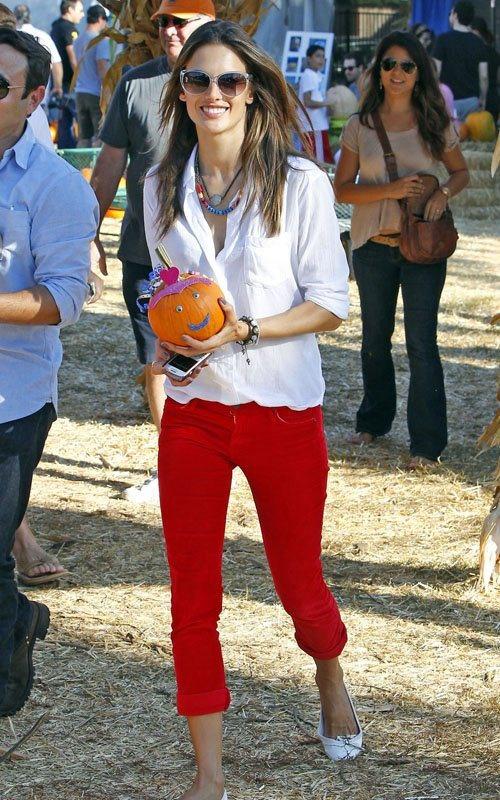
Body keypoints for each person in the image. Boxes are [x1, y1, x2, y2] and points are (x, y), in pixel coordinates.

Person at [144, 19, 361, 800]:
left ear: (253, 92)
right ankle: (209, 774)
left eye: (228, 81)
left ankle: (329, 671)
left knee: (298, 581)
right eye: (197, 81)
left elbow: (330, 305)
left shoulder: (300, 183)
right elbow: (168, 297)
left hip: (282, 408)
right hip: (197, 412)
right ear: (181, 93)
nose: (212, 95)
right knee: (191, 593)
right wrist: (171, 336)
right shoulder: (159, 185)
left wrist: (246, 330)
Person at [0, 27, 98, 717]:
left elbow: (65, 297)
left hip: (11, 399)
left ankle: (10, 654)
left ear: (34, 98)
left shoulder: (59, 188)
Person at [91, 0, 215, 504]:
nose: (168, 30)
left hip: (217, 252)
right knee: (156, 363)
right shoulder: (135, 85)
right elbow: (108, 166)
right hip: (148, 254)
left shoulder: (232, 81)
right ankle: (174, 466)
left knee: (220, 356)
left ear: (207, 23)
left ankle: (222, 457)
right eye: (163, 21)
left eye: (180, 21)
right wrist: (89, 232)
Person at [334, 31, 469, 470]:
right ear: (379, 71)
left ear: (419, 73)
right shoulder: (361, 125)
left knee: (421, 344)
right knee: (374, 340)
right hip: (373, 247)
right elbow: (342, 190)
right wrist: (390, 189)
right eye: (389, 64)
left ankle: (426, 445)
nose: (397, 73)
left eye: (407, 66)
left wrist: (443, 193)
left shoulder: (434, 121)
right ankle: (373, 421)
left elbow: (462, 172)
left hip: (423, 248)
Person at [433, 1, 489, 121]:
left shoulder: (442, 40)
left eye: (451, 13)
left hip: (447, 102)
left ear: (455, 16)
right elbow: (484, 76)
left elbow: (435, 71)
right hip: (471, 103)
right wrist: (482, 100)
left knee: (450, 136)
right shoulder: (479, 42)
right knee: (469, 134)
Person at [74, 3, 109, 147]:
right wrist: (108, 92)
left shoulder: (77, 40)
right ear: (100, 19)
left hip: (80, 92)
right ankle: (97, 169)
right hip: (95, 94)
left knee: (84, 137)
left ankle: (82, 167)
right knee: (100, 136)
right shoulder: (101, 40)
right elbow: (102, 67)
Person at [50, 0, 84, 147]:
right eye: (80, 10)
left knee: (64, 124)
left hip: (58, 84)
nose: (82, 15)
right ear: (70, 10)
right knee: (81, 121)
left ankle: (67, 154)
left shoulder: (55, 27)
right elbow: (73, 56)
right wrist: (81, 79)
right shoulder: (70, 29)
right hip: (71, 84)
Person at [14, 3, 63, 103]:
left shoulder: (9, 36)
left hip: (13, 99)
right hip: (39, 99)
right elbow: (56, 63)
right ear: (29, 17)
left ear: (14, 17)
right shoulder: (44, 36)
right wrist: (58, 87)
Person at [298, 44, 334, 162]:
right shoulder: (308, 75)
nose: (321, 60)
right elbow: (307, 101)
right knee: (319, 162)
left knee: (321, 158)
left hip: (318, 126)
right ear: (309, 58)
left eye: (323, 57)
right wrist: (327, 103)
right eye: (318, 56)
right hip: (314, 127)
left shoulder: (317, 76)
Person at [471, 15, 499, 122]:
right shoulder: (494, 53)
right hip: (493, 98)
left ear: (476, 31)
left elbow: (483, 77)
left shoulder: (476, 51)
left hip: (480, 99)